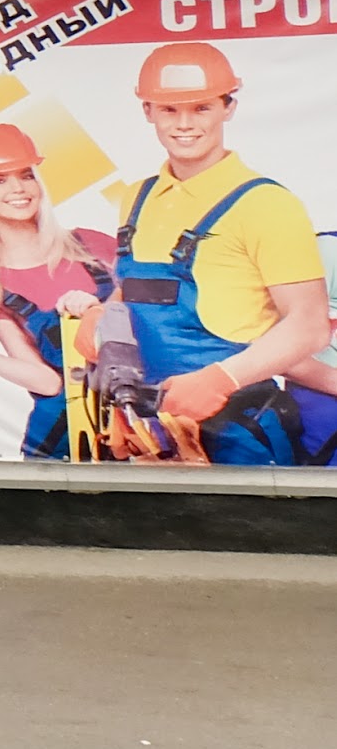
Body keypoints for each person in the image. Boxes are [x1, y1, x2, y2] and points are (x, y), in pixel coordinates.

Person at [100, 40, 335, 466]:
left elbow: (310, 325)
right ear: (148, 111)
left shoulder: (268, 205)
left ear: (228, 107)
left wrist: (221, 379)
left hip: (242, 432)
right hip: (153, 428)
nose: (184, 124)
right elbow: (135, 289)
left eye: (201, 108)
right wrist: (105, 320)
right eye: (169, 109)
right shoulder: (137, 198)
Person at [0, 119, 116, 462]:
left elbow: (152, 319)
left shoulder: (93, 246)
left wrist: (100, 312)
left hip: (137, 423)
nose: (18, 188)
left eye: (26, 175)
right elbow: (47, 383)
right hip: (66, 440)